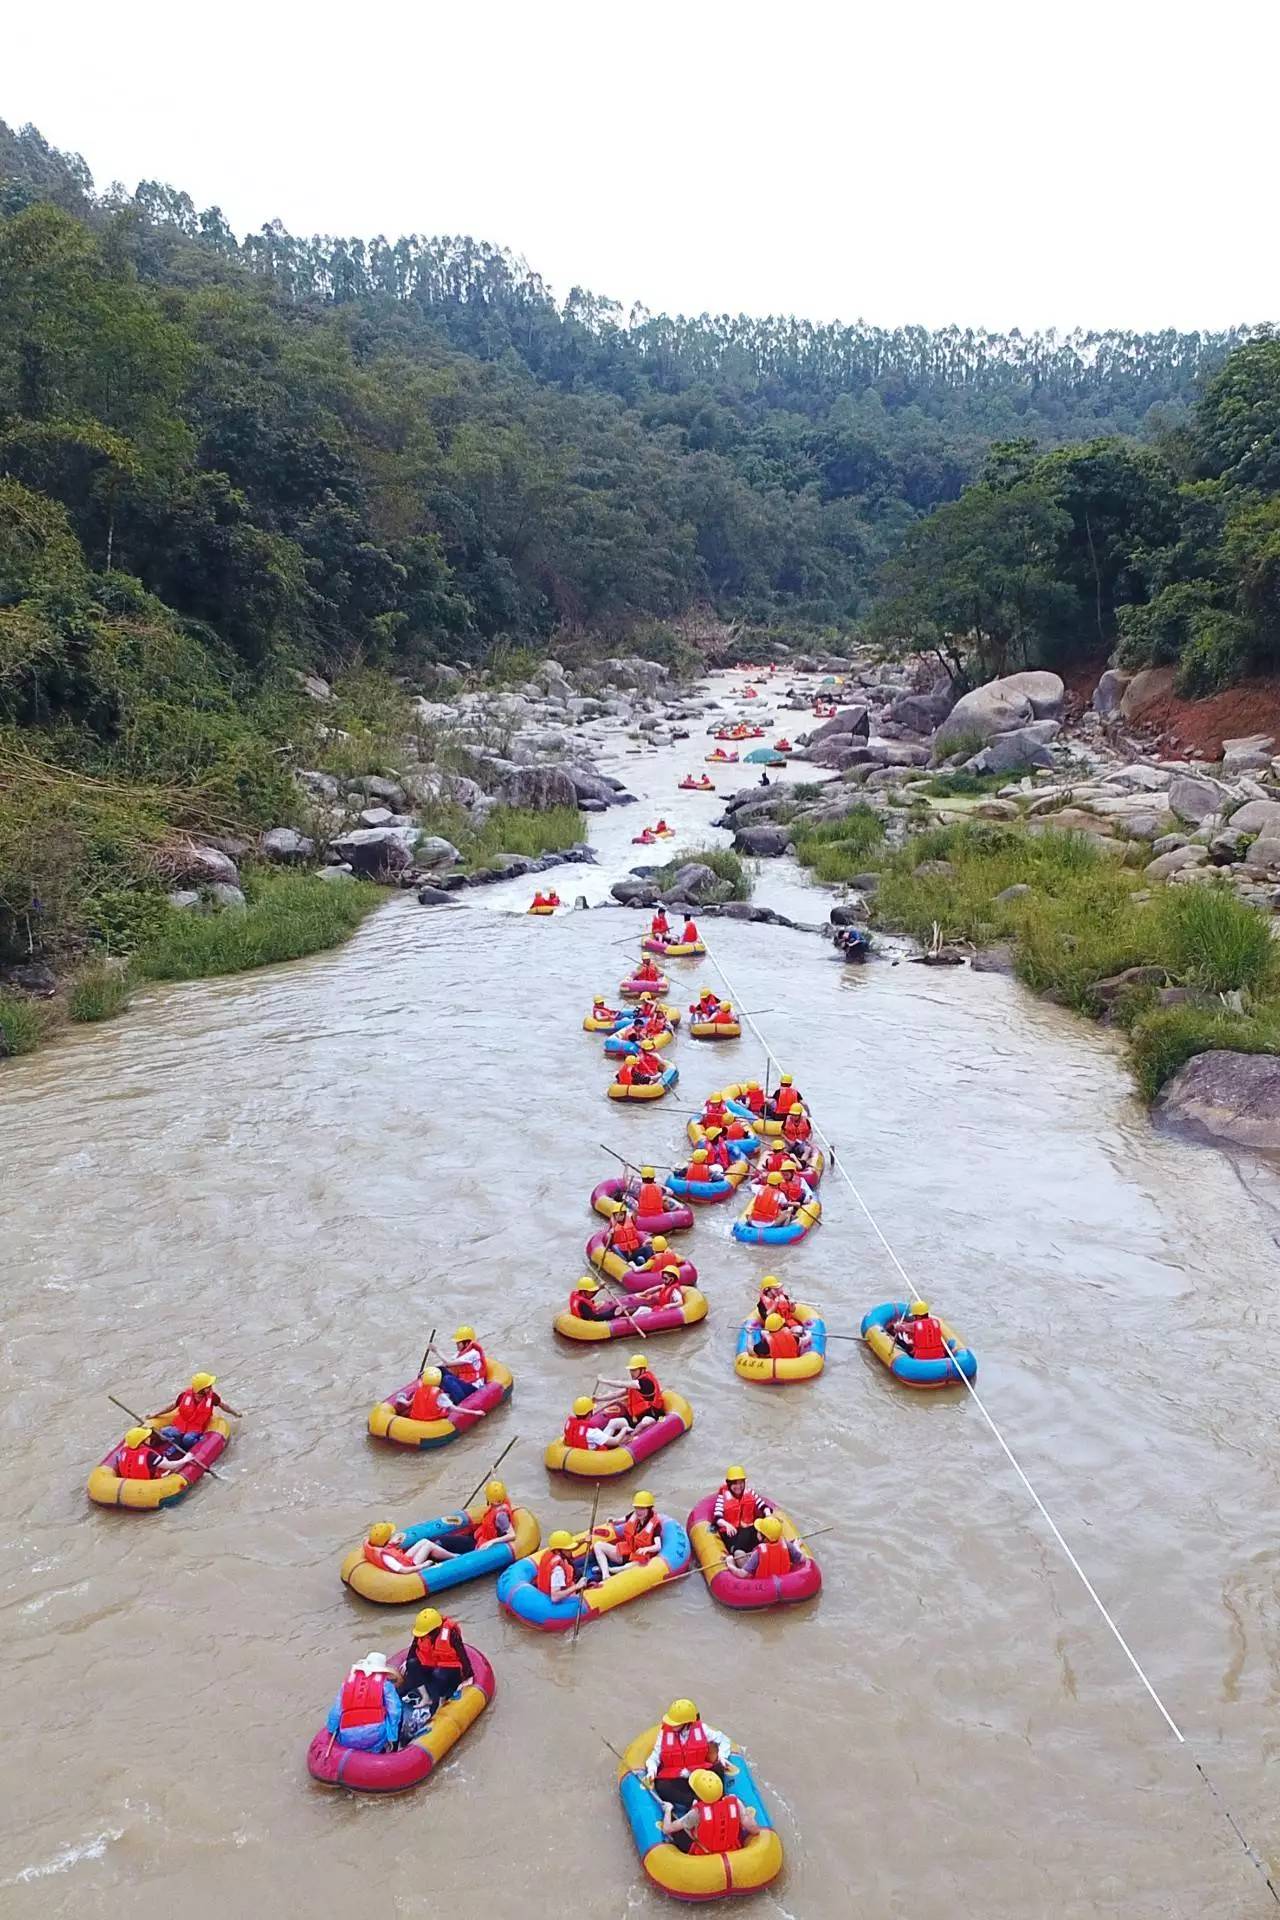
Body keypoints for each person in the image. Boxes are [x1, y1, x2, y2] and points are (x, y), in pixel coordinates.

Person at [642, 1700, 734, 1812]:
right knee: (661, 1786)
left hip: (700, 1776)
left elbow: (724, 1740)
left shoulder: (702, 1729)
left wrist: (722, 1756)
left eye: (675, 1723)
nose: (671, 1725)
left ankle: (718, 1798)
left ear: (687, 1722)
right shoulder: (664, 1734)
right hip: (677, 1778)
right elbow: (654, 1757)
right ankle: (695, 1803)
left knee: (719, 1767)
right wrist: (652, 1770)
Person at [660, 1769, 760, 1857]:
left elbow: (667, 1829)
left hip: (704, 1851)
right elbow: (754, 1830)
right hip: (731, 1847)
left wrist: (668, 1810)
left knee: (677, 1825)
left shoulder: (696, 1813)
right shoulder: (736, 1803)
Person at [399, 1607, 473, 1719]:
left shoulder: (450, 1633)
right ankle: (425, 1698)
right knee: (412, 1663)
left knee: (439, 1674)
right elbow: (414, 1646)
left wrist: (468, 1675)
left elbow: (462, 1654)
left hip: (449, 1669)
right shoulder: (422, 1632)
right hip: (431, 1664)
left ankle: (441, 1701)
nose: (422, 1636)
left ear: (434, 1630)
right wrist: (408, 1661)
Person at [326, 1653, 404, 1752]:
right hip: (374, 1737)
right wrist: (392, 1736)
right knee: (398, 1712)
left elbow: (336, 1711)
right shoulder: (385, 1685)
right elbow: (395, 1711)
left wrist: (331, 1730)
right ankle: (391, 1749)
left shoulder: (348, 1683)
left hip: (347, 1738)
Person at [591, 1489, 662, 1581]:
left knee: (625, 1568)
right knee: (598, 1545)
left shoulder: (655, 1525)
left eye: (642, 1509)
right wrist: (615, 1520)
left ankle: (611, 1570)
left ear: (649, 1509)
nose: (638, 1511)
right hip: (627, 1551)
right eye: (636, 1508)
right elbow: (625, 1519)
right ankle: (605, 1575)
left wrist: (646, 1549)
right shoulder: (634, 1515)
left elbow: (658, 1546)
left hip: (639, 1558)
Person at [151, 1371, 223, 1449]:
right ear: (202, 1389)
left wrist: (235, 1414)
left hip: (196, 1429)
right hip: (180, 1426)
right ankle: (177, 1445)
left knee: (188, 1439)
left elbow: (223, 1405)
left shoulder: (213, 1397)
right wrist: (156, 1414)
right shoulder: (184, 1396)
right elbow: (172, 1406)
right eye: (208, 1386)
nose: (211, 1387)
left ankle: (194, 1445)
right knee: (164, 1432)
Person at [713, 1469, 773, 1553]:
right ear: (729, 1484)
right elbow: (717, 1517)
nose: (738, 1487)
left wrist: (768, 1515)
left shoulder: (750, 1492)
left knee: (760, 1533)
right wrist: (727, 1525)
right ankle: (740, 1554)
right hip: (732, 1532)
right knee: (741, 1541)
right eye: (735, 1483)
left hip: (749, 1528)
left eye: (741, 1483)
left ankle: (764, 1552)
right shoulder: (722, 1497)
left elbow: (763, 1506)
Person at [597, 1355, 663, 1431]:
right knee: (613, 1422)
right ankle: (603, 1441)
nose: (631, 1373)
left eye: (634, 1370)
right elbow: (616, 1394)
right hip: (636, 1416)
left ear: (642, 1369)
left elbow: (620, 1384)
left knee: (644, 1422)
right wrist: (598, 1399)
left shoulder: (645, 1382)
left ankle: (633, 1436)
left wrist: (603, 1381)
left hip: (651, 1414)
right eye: (631, 1370)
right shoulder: (635, 1384)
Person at [737, 1514, 807, 1578]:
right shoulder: (786, 1545)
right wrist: (796, 1546)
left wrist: (730, 1563)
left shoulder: (758, 1553)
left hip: (761, 1582)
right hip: (784, 1578)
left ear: (763, 1536)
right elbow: (802, 1559)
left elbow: (743, 1574)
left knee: (738, 1553)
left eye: (759, 1531)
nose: (757, 1532)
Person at [534, 1530, 590, 1604]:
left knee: (578, 1571)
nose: (571, 1551)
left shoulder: (552, 1552)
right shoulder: (558, 1570)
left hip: (555, 1584)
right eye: (568, 1550)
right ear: (558, 1551)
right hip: (559, 1593)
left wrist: (583, 1541)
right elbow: (555, 1597)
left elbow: (568, 1548)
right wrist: (577, 1586)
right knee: (594, 1578)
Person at [562, 1394, 631, 1450]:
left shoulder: (570, 1424)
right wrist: (624, 1429)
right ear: (589, 1414)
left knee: (614, 1422)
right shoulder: (593, 1432)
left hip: (582, 1447)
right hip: (597, 1451)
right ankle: (632, 1433)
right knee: (623, 1427)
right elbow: (615, 1441)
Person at [440, 1327, 486, 1403]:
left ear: (467, 1343)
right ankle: (441, 1394)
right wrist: (431, 1369)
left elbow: (448, 1363)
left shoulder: (473, 1354)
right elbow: (445, 1364)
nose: (456, 1344)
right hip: (464, 1382)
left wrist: (436, 1350)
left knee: (447, 1379)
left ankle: (460, 1401)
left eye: (458, 1343)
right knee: (441, 1371)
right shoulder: (460, 1353)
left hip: (473, 1386)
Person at [603, 1199, 649, 1264]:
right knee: (615, 1247)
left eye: (621, 1215)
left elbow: (636, 1212)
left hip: (634, 1251)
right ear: (614, 1216)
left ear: (624, 1215)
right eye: (617, 1215)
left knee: (642, 1256)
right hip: (623, 1252)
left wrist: (634, 1207)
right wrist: (610, 1234)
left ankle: (644, 1262)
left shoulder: (631, 1220)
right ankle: (625, 1262)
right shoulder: (613, 1226)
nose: (620, 1217)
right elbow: (607, 1241)